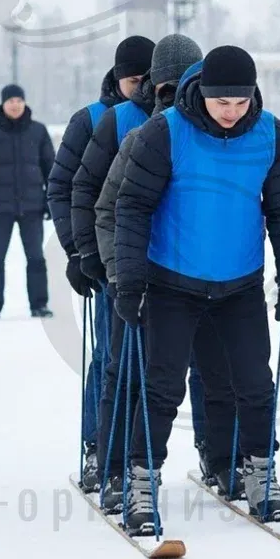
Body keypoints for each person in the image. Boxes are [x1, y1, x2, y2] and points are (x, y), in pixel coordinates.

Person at [114, 45, 280, 533]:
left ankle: (260, 473)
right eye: (223, 102)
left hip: (239, 284)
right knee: (162, 387)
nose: (231, 113)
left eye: (240, 103)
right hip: (171, 282)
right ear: (203, 93)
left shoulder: (271, 133)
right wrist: (130, 280)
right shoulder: (165, 130)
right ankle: (141, 481)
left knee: (255, 386)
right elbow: (132, 206)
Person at [71, 34, 207, 496]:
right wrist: (86, 254)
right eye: (164, 84)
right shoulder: (116, 121)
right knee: (120, 367)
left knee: (197, 370)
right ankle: (108, 460)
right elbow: (84, 190)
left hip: (188, 271)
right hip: (124, 266)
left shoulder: (205, 122)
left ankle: (213, 453)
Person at [48, 35, 155, 298]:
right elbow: (62, 187)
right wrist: (77, 250)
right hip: (105, 252)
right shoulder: (89, 119)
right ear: (118, 78)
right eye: (134, 82)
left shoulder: (163, 115)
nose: (141, 88)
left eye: (147, 81)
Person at [0, 84, 57, 320]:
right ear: (3, 104)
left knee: (36, 258)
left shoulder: (38, 131)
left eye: (19, 100)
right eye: (11, 101)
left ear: (24, 102)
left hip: (33, 207)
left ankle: (40, 304)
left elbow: (51, 168)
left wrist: (51, 200)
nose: (15, 105)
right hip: (0, 208)